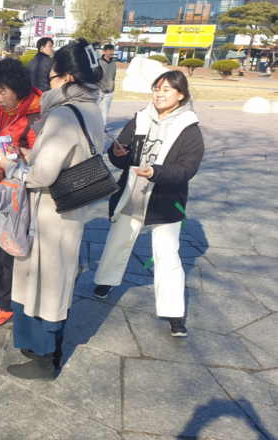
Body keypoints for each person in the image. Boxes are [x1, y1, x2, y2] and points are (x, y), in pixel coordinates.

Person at [0, 39, 104, 380]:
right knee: (56, 283)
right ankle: (49, 352)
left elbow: (42, 175)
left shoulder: (63, 114)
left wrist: (10, 167)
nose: (47, 81)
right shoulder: (91, 108)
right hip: (70, 209)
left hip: (49, 214)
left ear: (67, 77)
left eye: (51, 74)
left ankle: (42, 360)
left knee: (42, 284)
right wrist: (32, 157)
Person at [93, 71, 204, 338]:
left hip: (165, 200)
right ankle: (106, 281)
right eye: (157, 88)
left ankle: (174, 313)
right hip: (131, 193)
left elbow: (187, 169)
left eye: (167, 89)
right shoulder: (141, 118)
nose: (159, 94)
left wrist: (155, 172)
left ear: (181, 95)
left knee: (167, 256)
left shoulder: (189, 127)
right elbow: (121, 156)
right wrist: (117, 153)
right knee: (117, 241)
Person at [0, 57, 42, 327]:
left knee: (8, 250)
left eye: (3, 92)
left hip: (14, 195)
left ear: (19, 90)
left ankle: (5, 303)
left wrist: (14, 160)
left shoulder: (35, 116)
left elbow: (38, 160)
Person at [98, 43, 116, 127]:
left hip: (109, 90)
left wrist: (112, 86)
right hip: (99, 90)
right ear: (104, 51)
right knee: (94, 108)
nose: (111, 52)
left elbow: (113, 75)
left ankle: (103, 126)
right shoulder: (99, 62)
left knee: (106, 110)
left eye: (112, 51)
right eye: (109, 51)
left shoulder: (113, 63)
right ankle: (93, 125)